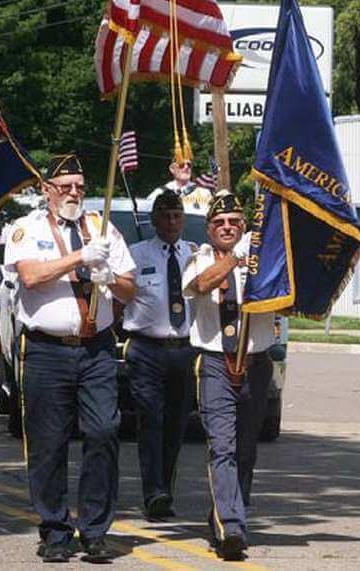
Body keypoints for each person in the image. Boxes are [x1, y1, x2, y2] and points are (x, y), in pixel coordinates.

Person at [3, 153, 136, 563]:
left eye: (79, 186)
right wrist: (80, 258)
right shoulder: (27, 228)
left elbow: (131, 289)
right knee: (49, 443)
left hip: (96, 348)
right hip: (47, 350)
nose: (74, 193)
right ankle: (55, 531)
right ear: (47, 190)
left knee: (104, 431)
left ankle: (95, 530)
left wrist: (110, 277)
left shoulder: (102, 227)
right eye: (65, 186)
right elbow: (31, 276)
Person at [182, 190, 276, 561]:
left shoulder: (264, 259)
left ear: (244, 225)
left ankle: (226, 513)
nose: (227, 227)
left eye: (234, 222)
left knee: (245, 449)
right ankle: (232, 528)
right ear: (209, 229)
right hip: (215, 363)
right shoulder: (199, 258)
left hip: (256, 362)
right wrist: (236, 258)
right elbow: (200, 286)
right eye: (219, 222)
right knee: (221, 446)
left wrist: (262, 262)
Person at [123, 190, 198, 520]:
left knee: (176, 425)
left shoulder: (195, 255)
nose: (171, 222)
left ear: (183, 219)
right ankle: (153, 492)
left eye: (176, 216)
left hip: (183, 350)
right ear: (154, 220)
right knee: (151, 420)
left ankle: (165, 488)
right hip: (146, 349)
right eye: (165, 216)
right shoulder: (136, 255)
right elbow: (120, 299)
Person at [146, 158, 214, 216]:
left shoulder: (204, 193)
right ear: (172, 169)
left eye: (189, 165)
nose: (186, 167)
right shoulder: (160, 193)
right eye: (181, 165)